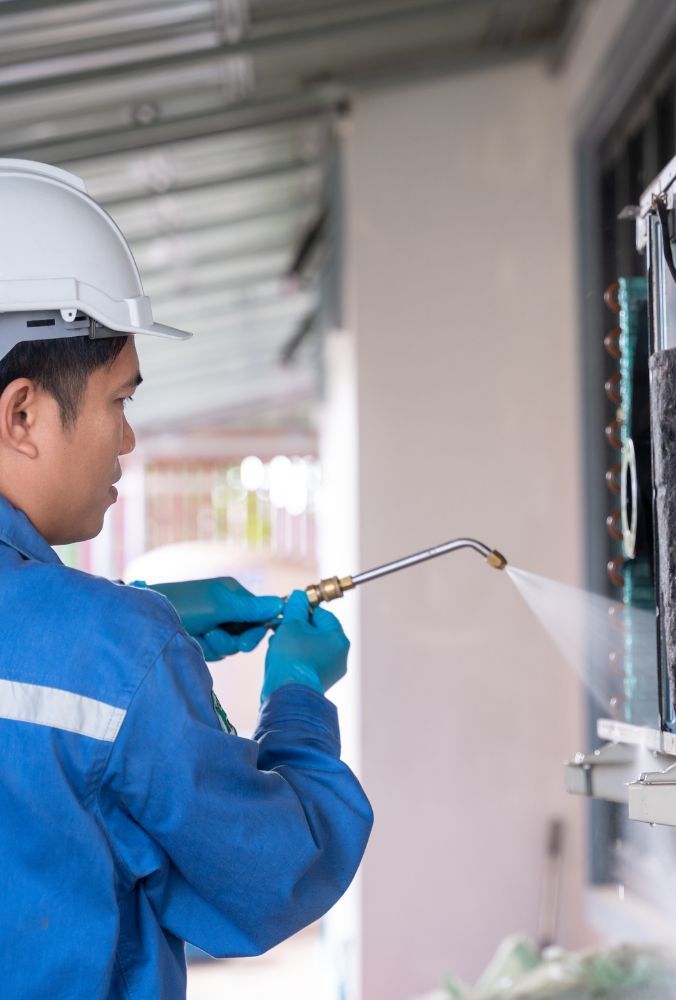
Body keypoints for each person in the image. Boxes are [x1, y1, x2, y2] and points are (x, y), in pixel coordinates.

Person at [0, 159, 373, 997]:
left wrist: (144, 622)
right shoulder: (113, 656)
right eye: (119, 402)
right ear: (22, 414)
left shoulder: (111, 644)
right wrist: (298, 700)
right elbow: (269, 875)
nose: (126, 441)